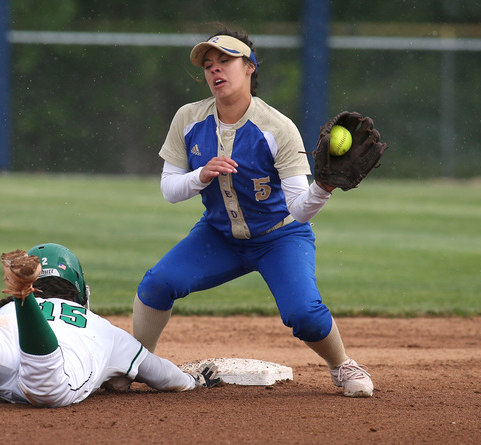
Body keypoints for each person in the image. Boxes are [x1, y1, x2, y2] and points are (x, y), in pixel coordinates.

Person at [132, 26, 373, 397]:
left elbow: (299, 210)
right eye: (209, 64)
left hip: (280, 237)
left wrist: (322, 188)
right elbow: (169, 190)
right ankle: (138, 363)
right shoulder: (189, 118)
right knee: (157, 284)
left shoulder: (277, 128)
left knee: (304, 315)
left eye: (225, 61)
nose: (215, 70)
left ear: (250, 67)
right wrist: (201, 174)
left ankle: (341, 364)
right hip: (218, 235)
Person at [0, 189, 220, 409]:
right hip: (56, 369)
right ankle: (24, 297)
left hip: (4, 341)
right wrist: (191, 381)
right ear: (81, 291)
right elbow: (163, 376)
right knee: (46, 390)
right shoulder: (105, 331)